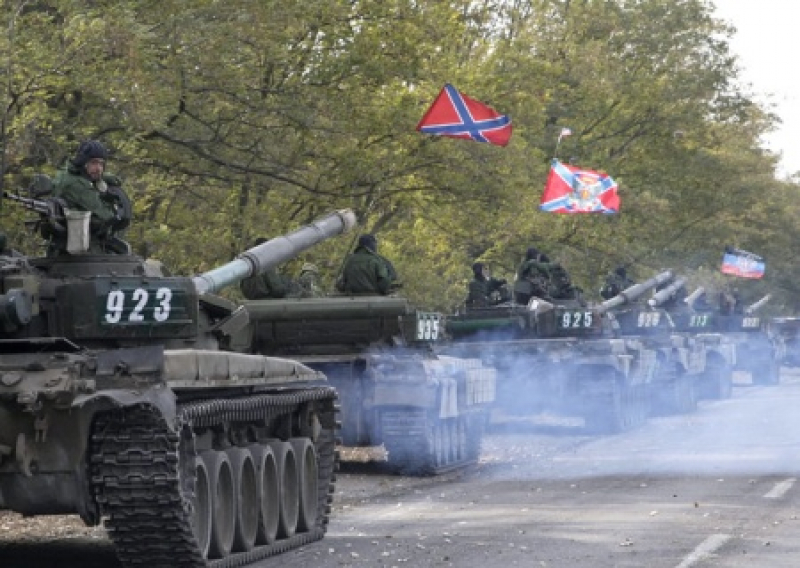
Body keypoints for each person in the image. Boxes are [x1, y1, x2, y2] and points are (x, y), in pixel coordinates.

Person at [51, 140, 131, 254]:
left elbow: (95, 177)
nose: (98, 168)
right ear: (83, 162)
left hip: (79, 248)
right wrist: (113, 206)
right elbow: (106, 215)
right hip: (79, 251)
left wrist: (106, 180)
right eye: (94, 163)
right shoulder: (76, 184)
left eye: (101, 164)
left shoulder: (72, 176)